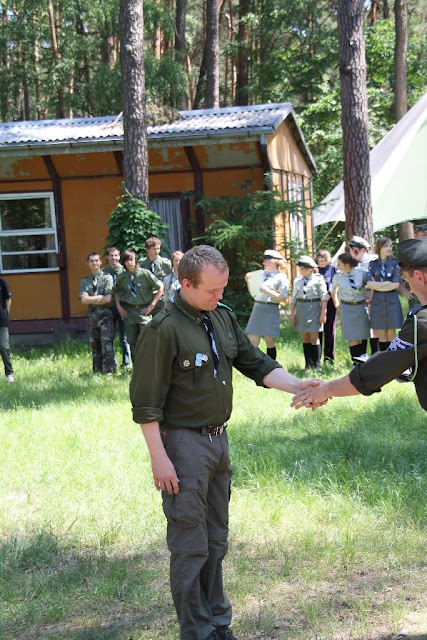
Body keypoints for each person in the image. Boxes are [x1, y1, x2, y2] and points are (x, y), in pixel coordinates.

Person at [129, 245, 320, 640]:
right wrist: (159, 459)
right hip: (183, 446)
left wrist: (299, 386)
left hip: (218, 442)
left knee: (216, 540)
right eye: (212, 290)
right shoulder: (163, 329)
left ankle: (217, 622)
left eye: (222, 289)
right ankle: (197, 631)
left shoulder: (221, 316)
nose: (219, 296)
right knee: (190, 543)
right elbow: (146, 404)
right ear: (186, 284)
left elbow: (255, 363)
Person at [291, 238, 427, 413]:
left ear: (420, 277)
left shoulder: (421, 323)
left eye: (406, 280)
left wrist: (326, 389)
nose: (410, 288)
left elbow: (381, 368)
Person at [113, 250, 164, 362]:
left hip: (143, 311)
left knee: (147, 340)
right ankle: (136, 367)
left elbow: (160, 287)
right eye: (127, 260)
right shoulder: (123, 277)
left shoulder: (144, 274)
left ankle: (148, 366)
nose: (129, 262)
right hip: (129, 312)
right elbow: (115, 290)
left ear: (136, 260)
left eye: (131, 259)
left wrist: (152, 305)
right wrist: (119, 307)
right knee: (132, 342)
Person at [245, 249, 289, 360]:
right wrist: (249, 282)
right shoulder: (259, 274)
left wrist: (268, 291)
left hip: (271, 309)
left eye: (266, 261)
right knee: (253, 342)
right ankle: (254, 366)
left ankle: (271, 366)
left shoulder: (281, 277)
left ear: (274, 262)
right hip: (258, 308)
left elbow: (283, 299)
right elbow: (254, 294)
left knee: (270, 342)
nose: (263, 263)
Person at [79, 252, 116, 374]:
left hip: (105, 315)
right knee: (94, 345)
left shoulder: (107, 278)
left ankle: (109, 371)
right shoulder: (85, 281)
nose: (94, 263)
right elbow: (83, 300)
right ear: (88, 263)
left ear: (100, 262)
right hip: (92, 316)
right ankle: (97, 371)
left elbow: (108, 299)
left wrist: (91, 298)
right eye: (91, 261)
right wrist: (100, 297)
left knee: (107, 344)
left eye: (96, 260)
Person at [331, 252, 370, 365]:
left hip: (360, 306)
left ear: (347, 264)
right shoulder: (338, 276)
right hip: (347, 308)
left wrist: (370, 299)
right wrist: (337, 304)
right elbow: (333, 291)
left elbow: (372, 284)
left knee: (362, 334)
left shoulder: (362, 273)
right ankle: (356, 362)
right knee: (352, 336)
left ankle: (364, 361)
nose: (337, 266)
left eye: (339, 264)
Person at [290, 255, 328, 372]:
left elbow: (324, 297)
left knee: (314, 337)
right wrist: (292, 313)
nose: (300, 271)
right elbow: (294, 298)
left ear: (310, 269)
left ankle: (317, 365)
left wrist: (323, 313)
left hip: (313, 307)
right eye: (299, 269)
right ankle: (308, 364)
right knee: (305, 337)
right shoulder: (298, 280)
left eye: (302, 269)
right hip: (301, 308)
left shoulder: (318, 279)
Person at [366, 237, 404, 351]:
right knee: (381, 334)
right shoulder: (373, 264)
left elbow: (396, 285)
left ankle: (392, 358)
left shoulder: (395, 264)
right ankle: (384, 358)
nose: (389, 248)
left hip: (392, 301)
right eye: (386, 246)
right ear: (379, 248)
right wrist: (387, 283)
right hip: (378, 302)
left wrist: (378, 285)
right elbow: (369, 284)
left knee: (391, 333)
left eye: (390, 246)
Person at [348, 235, 379, 354]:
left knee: (374, 328)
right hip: (356, 297)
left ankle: (375, 356)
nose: (351, 252)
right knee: (360, 328)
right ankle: (361, 357)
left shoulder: (373, 261)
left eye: (353, 249)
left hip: (373, 295)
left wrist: (371, 297)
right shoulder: (351, 262)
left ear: (362, 249)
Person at [102, 247, 131, 369]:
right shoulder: (103, 273)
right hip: (108, 307)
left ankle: (127, 364)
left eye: (116, 255)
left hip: (123, 307)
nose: (114, 258)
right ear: (107, 257)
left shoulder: (125, 271)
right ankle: (112, 364)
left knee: (125, 337)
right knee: (109, 337)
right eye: (111, 255)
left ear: (119, 257)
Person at [138, 235, 172, 315]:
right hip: (146, 300)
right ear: (147, 249)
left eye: (158, 249)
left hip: (162, 300)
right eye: (154, 249)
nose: (156, 251)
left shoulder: (166, 264)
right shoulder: (141, 264)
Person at [315, 249, 338, 365]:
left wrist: (328, 296)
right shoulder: (314, 269)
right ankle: (316, 358)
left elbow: (335, 284)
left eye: (325, 260)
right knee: (317, 330)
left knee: (330, 331)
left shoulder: (333, 269)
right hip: (316, 303)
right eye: (320, 260)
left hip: (330, 303)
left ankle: (329, 358)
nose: (322, 262)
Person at [0, 273, 15, 382]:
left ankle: (9, 374)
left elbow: (8, 299)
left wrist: (6, 314)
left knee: (3, 346)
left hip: (1, 321)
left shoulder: (2, 282)